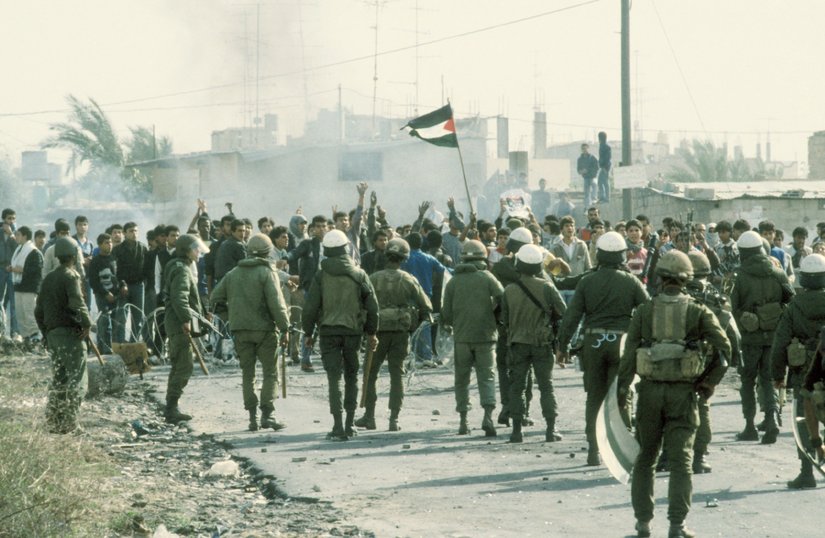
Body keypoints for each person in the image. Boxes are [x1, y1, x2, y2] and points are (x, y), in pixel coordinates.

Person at [617, 250, 730, 538]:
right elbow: (726, 348)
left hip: (650, 394)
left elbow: (629, 357)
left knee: (645, 459)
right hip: (684, 394)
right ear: (687, 279)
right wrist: (707, 382)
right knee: (681, 462)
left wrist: (622, 399)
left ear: (660, 277)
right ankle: (677, 526)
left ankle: (643, 525)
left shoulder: (644, 310)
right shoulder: (698, 311)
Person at [556, 231, 649, 466]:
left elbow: (572, 317)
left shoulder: (587, 281)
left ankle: (593, 450)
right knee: (621, 395)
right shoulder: (630, 281)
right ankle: (621, 449)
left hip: (593, 344)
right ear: (620, 255)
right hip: (622, 344)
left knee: (594, 397)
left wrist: (562, 345)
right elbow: (648, 311)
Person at [302, 229, 379, 441]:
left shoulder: (321, 276)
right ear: (346, 248)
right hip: (353, 333)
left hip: (328, 333)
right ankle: (350, 423)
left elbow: (310, 308)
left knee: (333, 378)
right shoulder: (359, 275)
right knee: (352, 377)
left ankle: (337, 425)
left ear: (326, 251)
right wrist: (371, 333)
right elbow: (372, 308)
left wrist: (308, 333)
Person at [211, 234, 290, 432]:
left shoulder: (233, 273)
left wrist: (231, 314)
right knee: (270, 372)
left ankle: (252, 418)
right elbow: (277, 305)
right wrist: (285, 328)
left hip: (240, 330)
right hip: (264, 330)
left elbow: (214, 297)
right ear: (268, 251)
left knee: (248, 373)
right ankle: (268, 415)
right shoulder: (267, 273)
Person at [355, 238, 432, 432]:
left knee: (370, 374)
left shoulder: (373, 278)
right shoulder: (408, 279)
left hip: (376, 332)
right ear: (404, 258)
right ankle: (393, 419)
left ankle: (369, 417)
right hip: (400, 332)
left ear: (386, 255)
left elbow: (360, 303)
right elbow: (426, 306)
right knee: (397, 374)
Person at [731, 230, 794, 444]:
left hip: (750, 338)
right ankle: (772, 419)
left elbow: (733, 307)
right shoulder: (778, 273)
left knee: (748, 381)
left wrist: (748, 318)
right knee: (769, 379)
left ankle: (749, 426)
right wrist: (774, 312)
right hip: (773, 337)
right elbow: (791, 301)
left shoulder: (739, 276)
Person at [501, 244, 566, 443]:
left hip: (517, 343)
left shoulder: (509, 290)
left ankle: (517, 431)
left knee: (517, 386)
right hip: (542, 343)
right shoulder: (547, 287)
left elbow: (505, 319)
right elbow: (563, 311)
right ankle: (550, 429)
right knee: (546, 386)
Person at [770, 253, 825, 489]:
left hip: (803, 370)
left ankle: (807, 471)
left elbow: (780, 342)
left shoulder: (794, 306)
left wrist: (777, 374)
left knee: (803, 419)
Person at [441, 240, 504, 437]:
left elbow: (446, 314)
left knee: (461, 379)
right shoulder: (487, 278)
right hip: (485, 336)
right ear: (483, 257)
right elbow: (502, 297)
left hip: (462, 339)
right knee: (487, 377)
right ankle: (488, 417)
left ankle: (463, 421)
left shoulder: (453, 281)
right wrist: (493, 315)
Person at [35, 237, 92, 434]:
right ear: (75, 255)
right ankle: (70, 423)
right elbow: (77, 303)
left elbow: (38, 311)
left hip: (53, 336)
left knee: (59, 379)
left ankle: (53, 421)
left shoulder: (49, 278)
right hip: (70, 335)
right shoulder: (71, 276)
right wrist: (87, 324)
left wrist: (46, 333)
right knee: (77, 379)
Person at [162, 234, 208, 424]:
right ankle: (172, 408)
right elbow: (179, 297)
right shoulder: (181, 270)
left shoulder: (179, 266)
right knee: (184, 366)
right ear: (186, 250)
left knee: (179, 364)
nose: (199, 252)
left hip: (176, 322)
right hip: (179, 324)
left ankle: (171, 406)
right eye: (195, 248)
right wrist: (186, 320)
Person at [113, 222, 147, 343]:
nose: (134, 234)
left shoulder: (143, 248)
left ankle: (134, 342)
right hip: (123, 286)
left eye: (136, 231)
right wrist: (121, 284)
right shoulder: (117, 250)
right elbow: (115, 270)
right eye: (131, 231)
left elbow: (147, 268)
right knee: (122, 316)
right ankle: (121, 343)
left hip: (139, 286)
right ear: (125, 233)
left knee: (138, 317)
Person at [9, 226, 43, 347]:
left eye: (18, 235)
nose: (16, 237)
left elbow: (36, 270)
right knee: (20, 314)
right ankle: (26, 339)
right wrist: (13, 269)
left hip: (29, 287)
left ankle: (36, 340)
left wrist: (20, 270)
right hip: (19, 286)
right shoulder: (19, 249)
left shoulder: (33, 251)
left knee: (29, 313)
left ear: (25, 236)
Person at [89, 233, 118, 354]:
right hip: (102, 296)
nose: (110, 245)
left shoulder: (114, 259)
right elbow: (93, 282)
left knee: (116, 321)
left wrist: (122, 285)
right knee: (104, 322)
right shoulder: (95, 261)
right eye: (106, 243)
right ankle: (104, 348)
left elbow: (118, 275)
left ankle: (113, 347)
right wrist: (105, 293)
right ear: (100, 245)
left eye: (110, 242)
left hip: (115, 295)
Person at [577, 144, 599, 210]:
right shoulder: (580, 159)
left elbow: (596, 167)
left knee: (594, 187)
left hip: (593, 177)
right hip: (586, 178)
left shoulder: (593, 157)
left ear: (588, 149)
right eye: (583, 149)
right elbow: (578, 169)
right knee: (586, 193)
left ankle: (594, 202)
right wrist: (581, 171)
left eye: (586, 148)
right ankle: (587, 206)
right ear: (581, 149)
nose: (584, 150)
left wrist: (588, 171)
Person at [597, 132, 612, 204]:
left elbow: (607, 158)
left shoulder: (605, 147)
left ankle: (606, 198)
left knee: (604, 182)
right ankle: (603, 197)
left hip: (605, 167)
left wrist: (604, 167)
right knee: (601, 182)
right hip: (604, 166)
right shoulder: (603, 146)